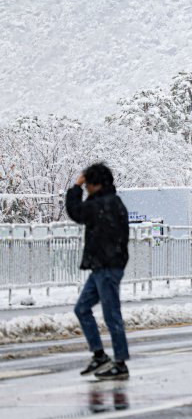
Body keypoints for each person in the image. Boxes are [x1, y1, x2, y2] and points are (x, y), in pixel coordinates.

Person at [65, 163, 131, 381]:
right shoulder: (108, 201)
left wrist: (75, 186)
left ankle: (120, 362)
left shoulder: (105, 203)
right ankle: (100, 355)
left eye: (87, 185)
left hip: (108, 267)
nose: (86, 189)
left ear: (96, 184)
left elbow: (77, 212)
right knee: (82, 308)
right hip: (102, 267)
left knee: (112, 314)